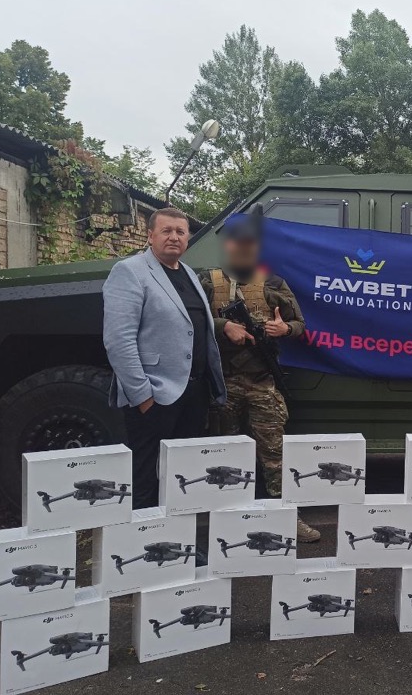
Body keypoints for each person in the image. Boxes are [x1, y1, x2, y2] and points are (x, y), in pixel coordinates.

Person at [198, 216, 320, 542]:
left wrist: (284, 329)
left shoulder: (273, 284)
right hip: (222, 383)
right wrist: (223, 326)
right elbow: (187, 319)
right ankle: (228, 523)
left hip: (261, 381)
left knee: (275, 455)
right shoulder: (206, 281)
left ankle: (286, 518)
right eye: (237, 243)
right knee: (225, 458)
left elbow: (300, 325)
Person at [103, 207, 226, 509]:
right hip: (155, 395)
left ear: (188, 238)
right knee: (146, 477)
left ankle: (177, 535)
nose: (174, 237)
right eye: (166, 231)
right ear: (150, 235)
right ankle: (144, 535)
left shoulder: (188, 274)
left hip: (193, 393)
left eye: (180, 232)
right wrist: (142, 395)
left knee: (182, 478)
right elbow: (118, 340)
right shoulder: (130, 271)